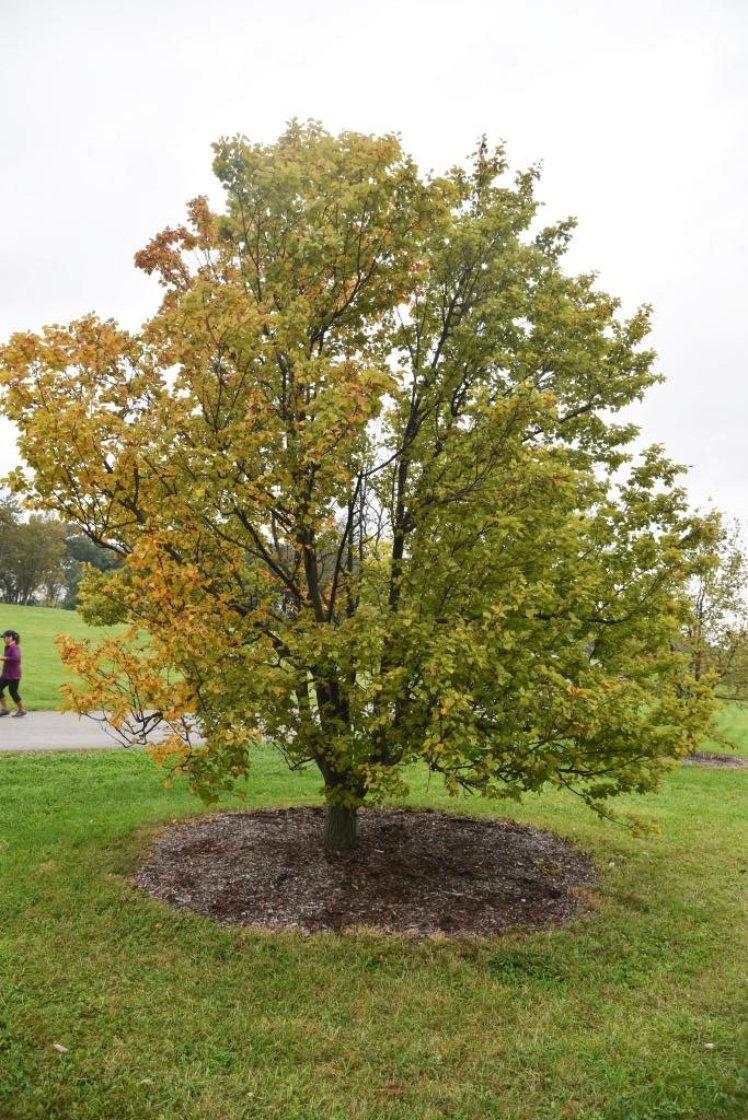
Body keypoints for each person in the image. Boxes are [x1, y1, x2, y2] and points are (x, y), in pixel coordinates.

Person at [0, 629, 26, 717]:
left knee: (13, 692)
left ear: (10, 638)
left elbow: (16, 658)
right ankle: (5, 709)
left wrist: (3, 658)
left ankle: (22, 710)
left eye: (5, 637)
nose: (4, 639)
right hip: (6, 675)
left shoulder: (14, 647)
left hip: (14, 675)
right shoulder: (8, 646)